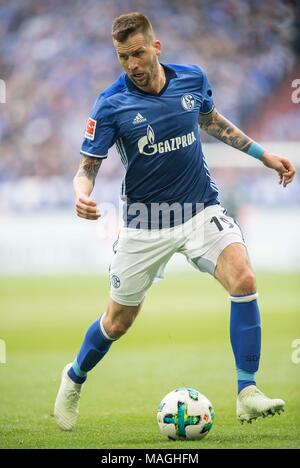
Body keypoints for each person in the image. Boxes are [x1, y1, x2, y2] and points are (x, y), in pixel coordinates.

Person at [54, 12, 295, 431]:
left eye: (138, 53)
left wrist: (264, 155)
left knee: (244, 280)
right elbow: (88, 166)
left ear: (156, 47)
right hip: (144, 222)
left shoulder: (192, 79)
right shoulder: (111, 103)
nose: (131, 64)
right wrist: (81, 193)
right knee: (116, 323)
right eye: (122, 56)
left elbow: (213, 122)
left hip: (200, 209)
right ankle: (74, 377)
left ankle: (246, 392)